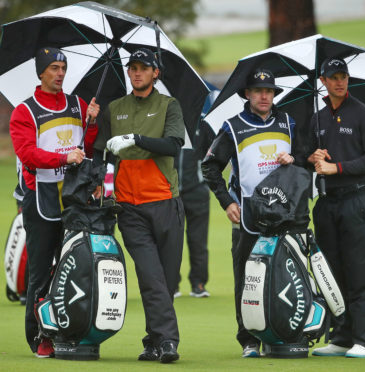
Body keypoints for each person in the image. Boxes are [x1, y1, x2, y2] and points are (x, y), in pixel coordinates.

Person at [202, 68, 304, 358]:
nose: (264, 96)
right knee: (248, 278)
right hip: (248, 214)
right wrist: (226, 202)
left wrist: (294, 157)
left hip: (286, 214)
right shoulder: (232, 127)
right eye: (258, 91)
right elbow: (209, 167)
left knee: (287, 275)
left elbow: (306, 158)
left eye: (269, 91)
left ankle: (284, 331)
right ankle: (248, 339)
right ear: (247, 94)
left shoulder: (288, 123)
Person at [92, 48, 185, 364]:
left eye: (143, 68)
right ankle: (169, 342)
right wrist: (93, 122)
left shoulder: (169, 106)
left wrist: (137, 139)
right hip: (129, 207)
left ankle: (152, 340)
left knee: (166, 281)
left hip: (165, 203)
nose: (136, 72)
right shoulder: (114, 108)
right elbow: (99, 151)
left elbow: (174, 145)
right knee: (150, 276)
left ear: (155, 72)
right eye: (132, 68)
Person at [9, 47, 100, 358]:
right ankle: (38, 338)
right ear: (41, 72)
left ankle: (68, 331)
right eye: (54, 68)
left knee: (72, 269)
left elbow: (85, 148)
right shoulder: (24, 111)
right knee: (42, 271)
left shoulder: (78, 104)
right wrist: (64, 157)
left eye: (63, 67)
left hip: (75, 198)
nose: (60, 73)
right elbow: (28, 154)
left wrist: (91, 124)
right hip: (41, 199)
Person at [307, 57, 365, 358]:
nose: (340, 81)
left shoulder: (363, 114)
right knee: (332, 272)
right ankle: (340, 336)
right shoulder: (318, 117)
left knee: (361, 272)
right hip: (327, 204)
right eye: (333, 77)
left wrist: (335, 167)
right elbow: (310, 159)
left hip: (358, 202)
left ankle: (364, 340)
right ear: (323, 81)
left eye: (344, 76)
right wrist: (313, 157)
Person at [176, 147, 210, 298]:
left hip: (198, 193)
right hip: (171, 193)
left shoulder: (201, 127)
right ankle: (172, 284)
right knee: (171, 241)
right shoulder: (169, 126)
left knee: (198, 240)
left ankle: (198, 283)